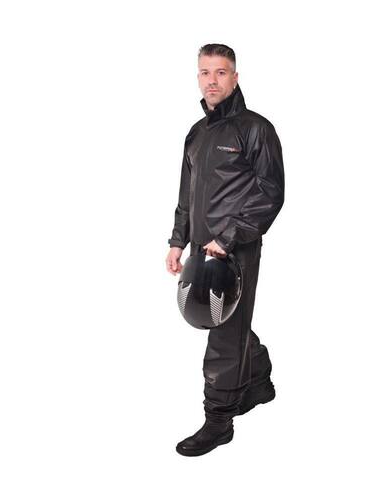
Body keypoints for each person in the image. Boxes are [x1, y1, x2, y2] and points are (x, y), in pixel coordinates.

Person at [165, 43, 285, 456]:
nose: (211, 80)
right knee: (228, 321)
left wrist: (229, 238)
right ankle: (258, 382)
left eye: (220, 72)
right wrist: (178, 240)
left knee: (223, 331)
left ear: (235, 77)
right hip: (201, 248)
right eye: (204, 72)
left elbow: (271, 192)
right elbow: (187, 195)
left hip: (236, 248)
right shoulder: (196, 134)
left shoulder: (255, 129)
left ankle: (218, 421)